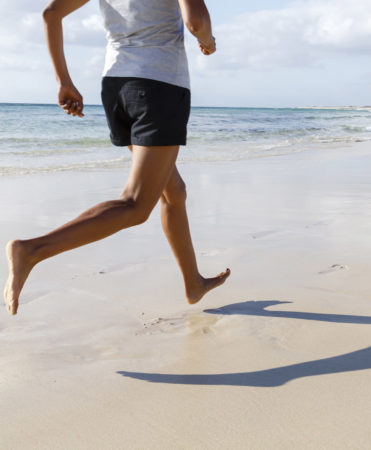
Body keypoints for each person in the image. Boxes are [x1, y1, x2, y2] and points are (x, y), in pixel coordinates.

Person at [4, 0, 230, 316]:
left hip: (116, 89)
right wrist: (208, 42)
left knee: (173, 192)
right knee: (136, 205)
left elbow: (51, 14)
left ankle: (193, 284)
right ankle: (30, 251)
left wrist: (63, 82)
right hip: (158, 87)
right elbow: (196, 22)